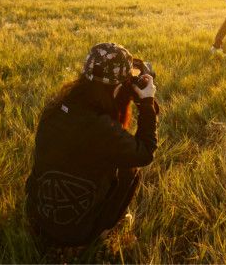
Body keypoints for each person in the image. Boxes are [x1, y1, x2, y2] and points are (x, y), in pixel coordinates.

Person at [25, 42, 159, 247]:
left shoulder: (56, 106)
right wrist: (147, 104)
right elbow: (145, 152)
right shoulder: (103, 130)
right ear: (117, 87)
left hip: (37, 216)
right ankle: (104, 231)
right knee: (130, 168)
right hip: (77, 234)